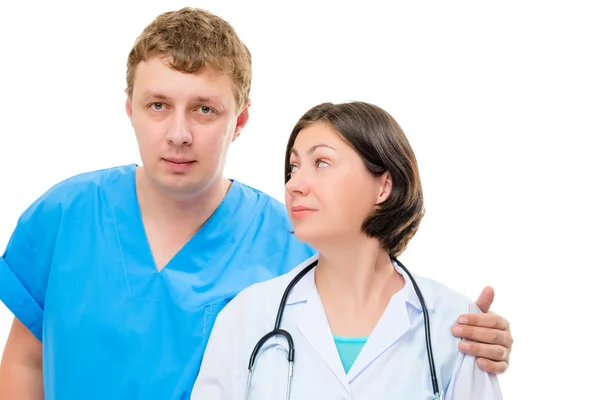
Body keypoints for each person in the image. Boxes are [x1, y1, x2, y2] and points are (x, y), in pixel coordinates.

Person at [0, 7, 511, 400]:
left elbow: (378, 318)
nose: (178, 134)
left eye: (204, 110)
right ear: (128, 108)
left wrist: (468, 335)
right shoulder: (64, 215)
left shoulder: (290, 240)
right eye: (158, 105)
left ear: (239, 121)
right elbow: (25, 360)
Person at [192, 101, 504, 399]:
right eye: (293, 167)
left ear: (384, 187)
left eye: (321, 163)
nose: (293, 185)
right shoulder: (247, 316)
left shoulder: (454, 325)